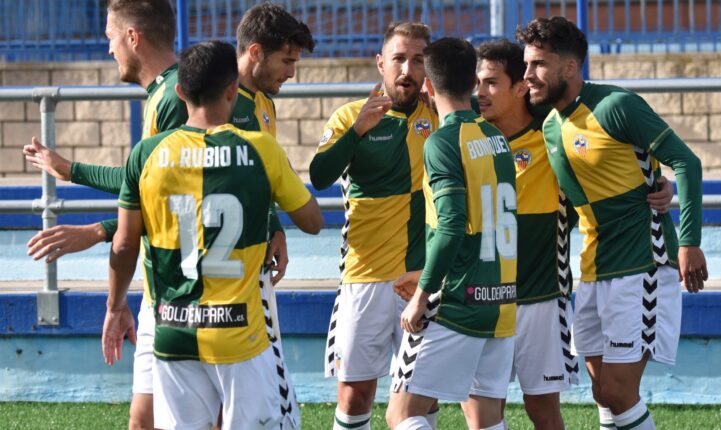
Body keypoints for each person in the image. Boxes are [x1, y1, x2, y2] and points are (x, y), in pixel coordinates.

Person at [23, 2, 314, 428]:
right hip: (178, 287)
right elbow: (170, 187)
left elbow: (173, 191)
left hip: (194, 290)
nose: (109, 48)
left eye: (109, 37)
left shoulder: (188, 97)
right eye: (287, 60)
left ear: (133, 37)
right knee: (145, 419)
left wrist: (85, 201)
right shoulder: (193, 94)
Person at [102, 39, 322, 430]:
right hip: (241, 334)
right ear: (232, 90)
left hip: (172, 331)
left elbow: (123, 244)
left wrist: (116, 305)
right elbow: (312, 221)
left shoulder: (147, 153)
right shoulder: (261, 150)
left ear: (181, 92)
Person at [516, 16, 708, 430]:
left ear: (569, 67)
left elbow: (687, 163)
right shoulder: (550, 125)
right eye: (526, 65)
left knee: (620, 392)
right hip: (592, 269)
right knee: (603, 392)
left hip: (641, 263)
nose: (527, 75)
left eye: (538, 65)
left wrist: (689, 242)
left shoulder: (616, 106)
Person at [474, 38, 675, 430]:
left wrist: (659, 183)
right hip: (479, 296)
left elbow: (608, 161)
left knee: (552, 406)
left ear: (519, 87)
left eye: (491, 83)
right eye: (477, 82)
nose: (479, 93)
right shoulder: (467, 135)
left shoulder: (552, 135)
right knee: (480, 412)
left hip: (543, 297)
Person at [309, 22, 439, 430]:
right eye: (398, 58)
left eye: (417, 60)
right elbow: (319, 175)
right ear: (380, 63)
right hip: (364, 279)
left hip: (421, 278)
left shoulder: (440, 116)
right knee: (355, 396)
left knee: (421, 397)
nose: (407, 69)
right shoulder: (351, 115)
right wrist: (355, 132)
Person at [386, 36, 517, 430]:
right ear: (473, 83)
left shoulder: (443, 142)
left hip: (457, 301)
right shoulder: (496, 139)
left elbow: (452, 225)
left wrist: (422, 295)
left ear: (428, 84)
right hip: (501, 298)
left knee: (402, 414)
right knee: (486, 418)